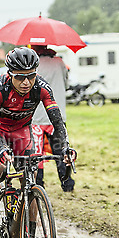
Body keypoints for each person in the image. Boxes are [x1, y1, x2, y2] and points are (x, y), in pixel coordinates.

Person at [0, 47, 76, 238]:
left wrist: (64, 148)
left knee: (29, 181)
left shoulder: (41, 87)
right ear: (10, 75)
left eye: (31, 76)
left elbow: (57, 121)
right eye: (20, 77)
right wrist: (2, 149)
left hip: (22, 131)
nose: (26, 82)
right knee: (0, 164)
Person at [31, 45, 75, 192]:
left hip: (37, 116)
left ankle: (38, 184)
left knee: (37, 153)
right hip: (57, 115)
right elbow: (66, 84)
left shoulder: (33, 65)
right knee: (61, 151)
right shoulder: (59, 62)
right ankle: (67, 183)